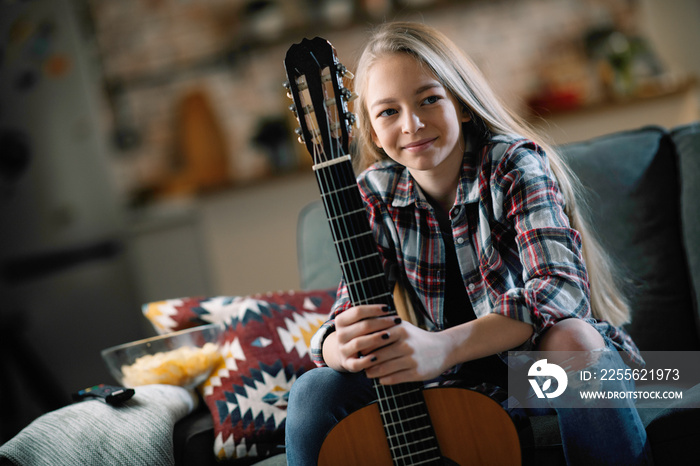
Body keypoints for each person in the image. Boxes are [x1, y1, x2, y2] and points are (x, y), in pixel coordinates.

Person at [286, 21, 652, 465]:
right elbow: (349, 312)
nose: (412, 124)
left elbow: (560, 291)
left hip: (534, 372)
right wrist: (333, 345)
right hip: (449, 383)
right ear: (371, 129)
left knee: (571, 341)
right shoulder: (375, 193)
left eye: (428, 99)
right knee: (314, 387)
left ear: (459, 104)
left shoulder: (513, 164)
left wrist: (442, 348)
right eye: (388, 112)